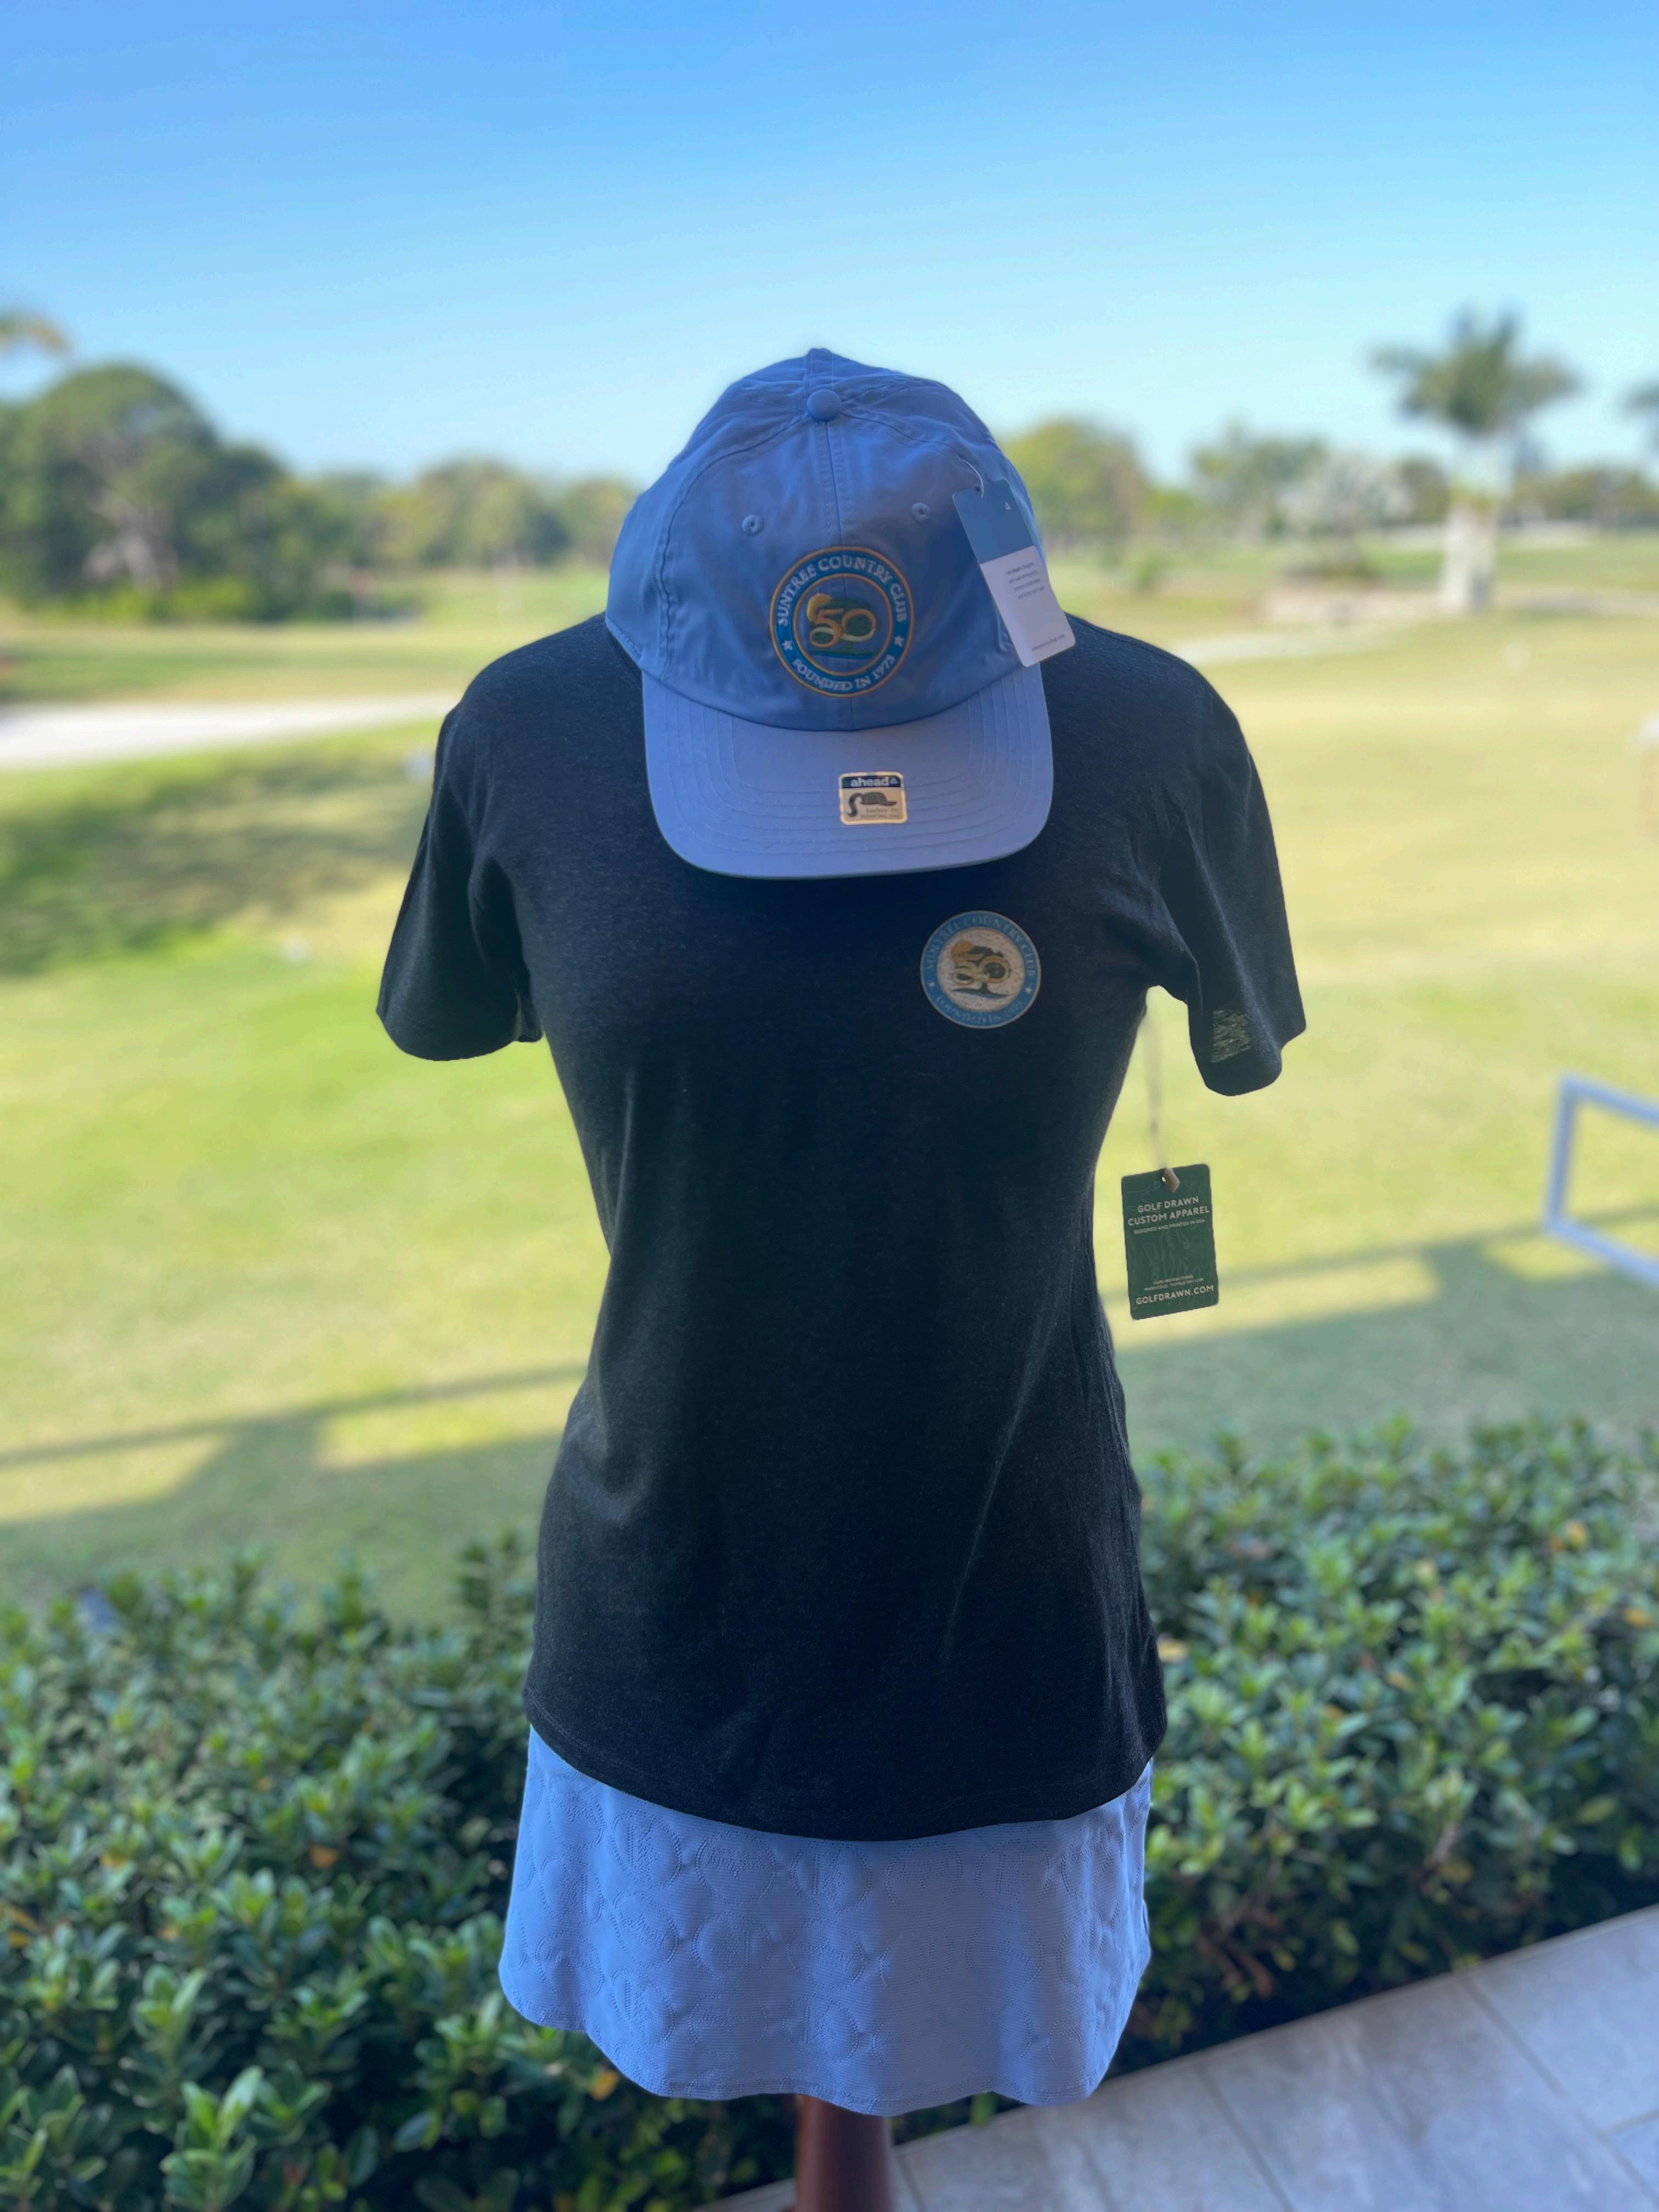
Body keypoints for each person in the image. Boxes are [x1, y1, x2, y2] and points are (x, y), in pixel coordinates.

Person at [378, 348, 1303, 2210]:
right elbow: (446, 1006)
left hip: (1008, 1606)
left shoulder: (1154, 732)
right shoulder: (527, 731)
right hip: (679, 1606)